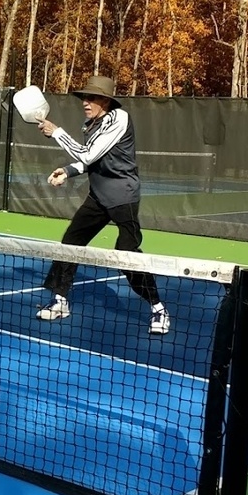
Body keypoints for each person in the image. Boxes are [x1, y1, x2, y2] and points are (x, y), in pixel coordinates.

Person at [33, 76, 169, 334]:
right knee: (70, 243)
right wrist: (67, 171)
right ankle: (60, 301)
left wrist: (57, 132)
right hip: (98, 196)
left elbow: (87, 153)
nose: (86, 102)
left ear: (105, 100)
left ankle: (158, 309)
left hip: (122, 197)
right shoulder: (92, 123)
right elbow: (89, 161)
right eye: (85, 97)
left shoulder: (119, 119)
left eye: (92, 98)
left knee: (126, 253)